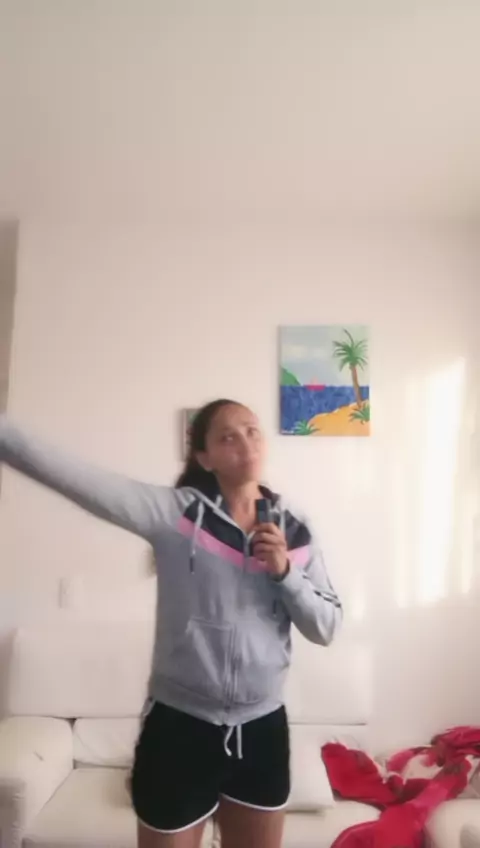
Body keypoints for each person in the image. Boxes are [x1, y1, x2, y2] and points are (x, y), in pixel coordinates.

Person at [0, 399, 342, 848]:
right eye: (227, 436)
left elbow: (326, 626)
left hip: (261, 731)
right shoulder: (175, 515)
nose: (245, 443)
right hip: (180, 728)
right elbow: (76, 477)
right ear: (204, 457)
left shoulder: (295, 531)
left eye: (252, 430)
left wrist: (285, 572)